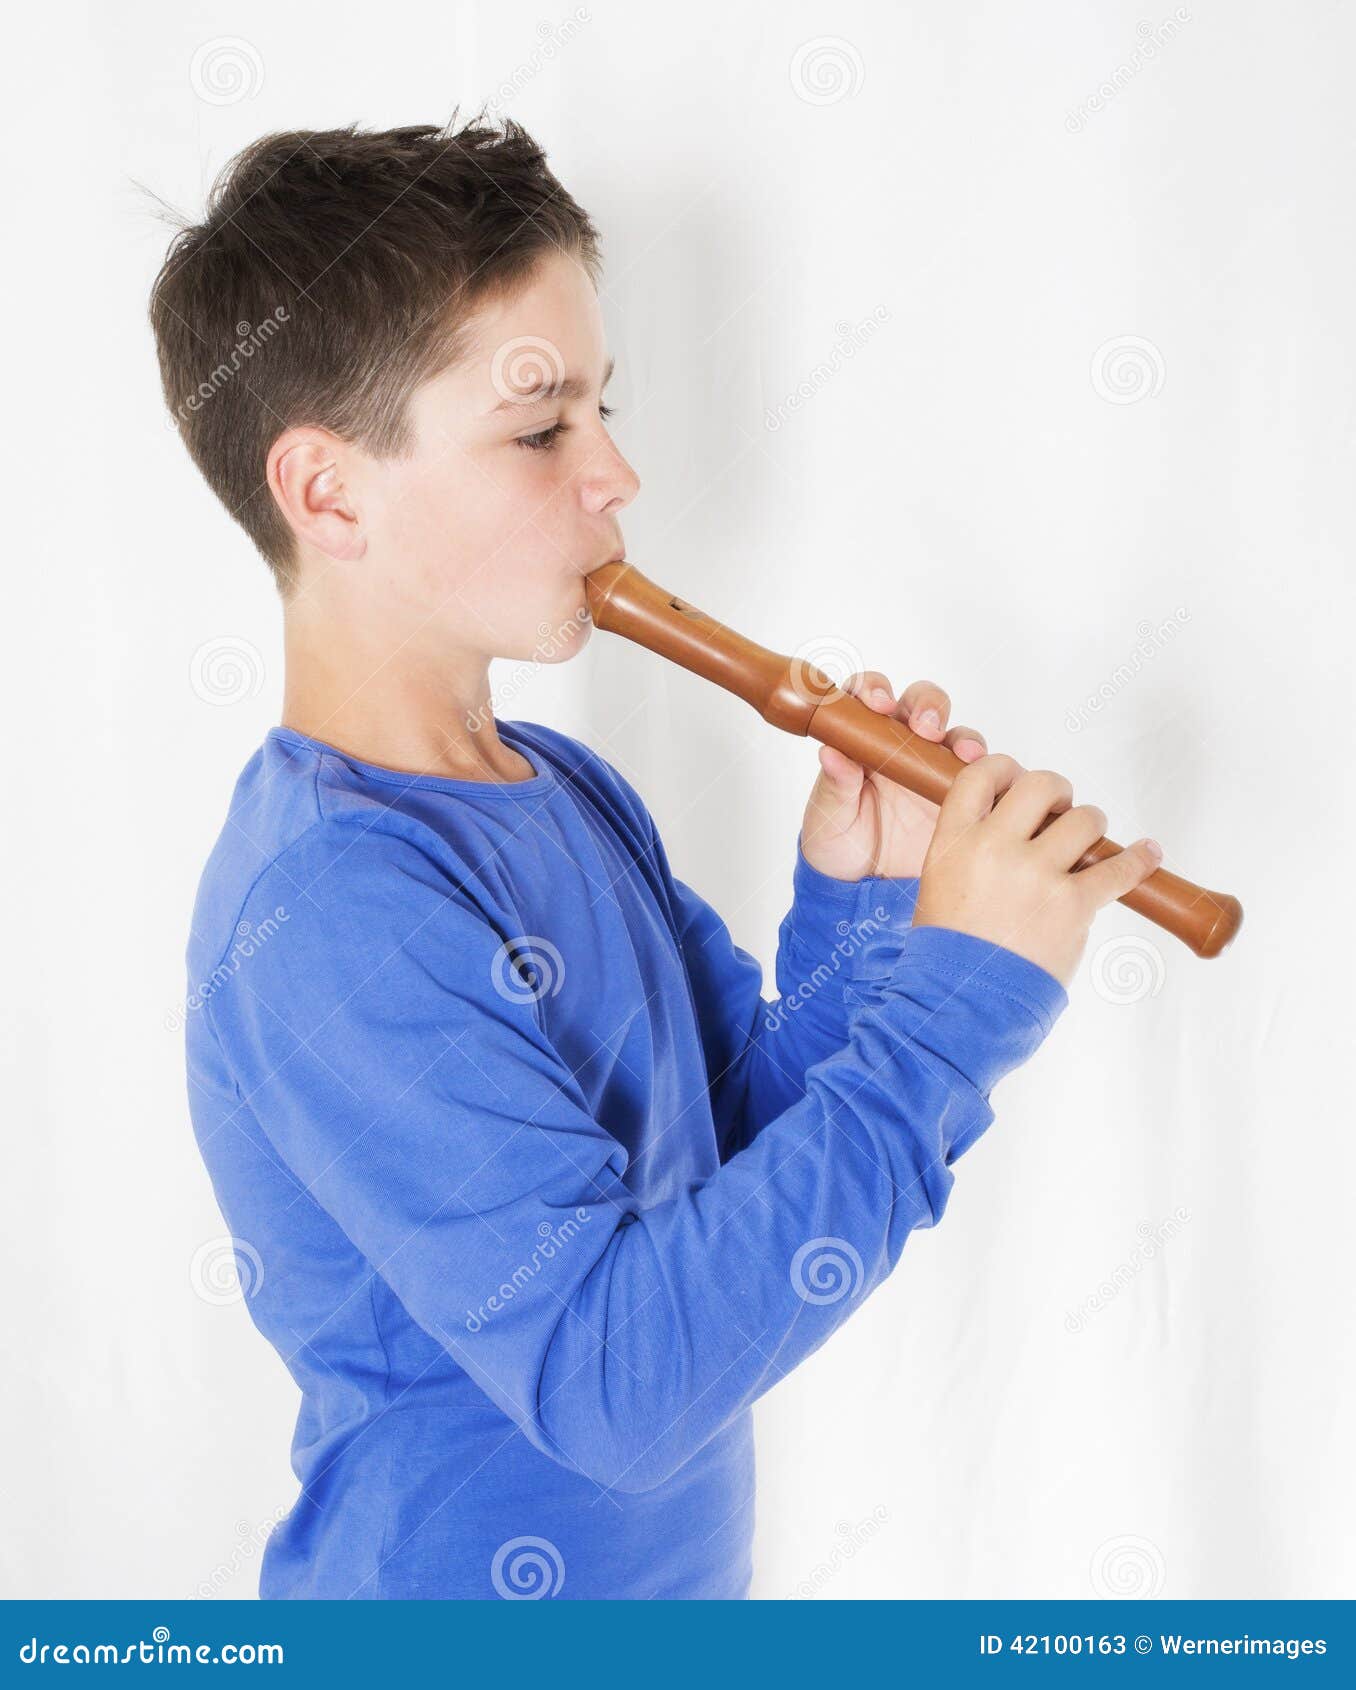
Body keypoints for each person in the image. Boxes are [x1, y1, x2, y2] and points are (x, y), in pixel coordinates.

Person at [152, 116, 1161, 1600]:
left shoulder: (563, 789)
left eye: (603, 408)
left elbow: (727, 1159)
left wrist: (872, 915)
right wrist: (964, 1001)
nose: (617, 474)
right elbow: (621, 1385)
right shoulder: (333, 907)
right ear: (329, 492)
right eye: (542, 427)